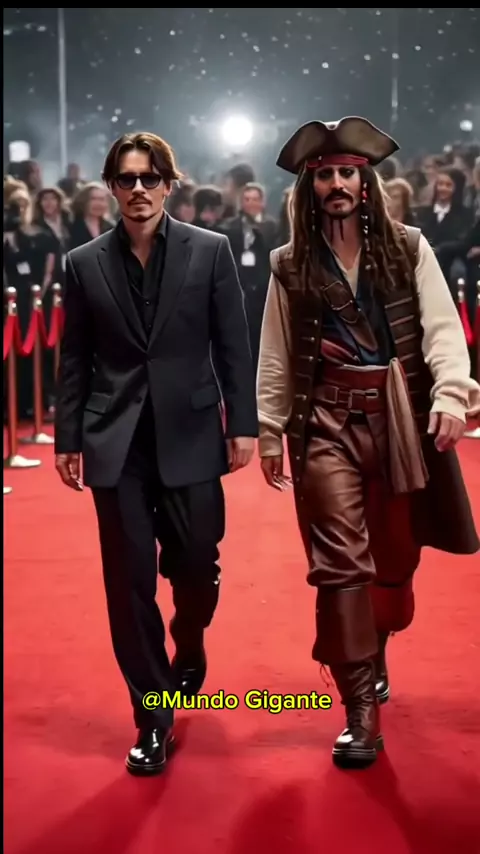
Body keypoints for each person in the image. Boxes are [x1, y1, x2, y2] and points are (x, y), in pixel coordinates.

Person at [256, 117, 480, 769]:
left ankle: (375, 647)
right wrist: (270, 427)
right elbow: (275, 354)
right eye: (324, 174)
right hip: (325, 423)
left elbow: (442, 330)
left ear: (364, 183)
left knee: (394, 562)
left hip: (399, 420)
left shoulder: (409, 247)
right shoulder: (288, 263)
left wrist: (450, 396)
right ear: (310, 186)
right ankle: (360, 709)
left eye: (345, 173)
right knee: (339, 565)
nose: (335, 184)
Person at [54, 132, 258, 775]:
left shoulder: (210, 250)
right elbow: (73, 357)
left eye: (149, 178)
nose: (138, 189)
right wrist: (67, 438)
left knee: (196, 563)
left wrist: (243, 424)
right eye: (126, 178)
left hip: (192, 434)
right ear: (111, 187)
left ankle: (189, 637)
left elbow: (233, 344)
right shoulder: (83, 262)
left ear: (169, 184)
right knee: (128, 581)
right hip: (114, 441)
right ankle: (153, 714)